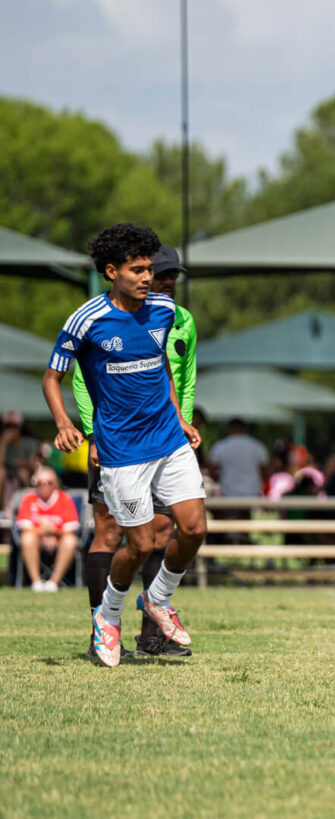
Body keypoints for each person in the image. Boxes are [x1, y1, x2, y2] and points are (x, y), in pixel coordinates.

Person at [42, 223, 207, 668]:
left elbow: (162, 367)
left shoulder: (164, 311)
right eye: (137, 270)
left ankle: (157, 599)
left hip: (167, 438)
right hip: (122, 450)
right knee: (139, 545)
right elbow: (52, 378)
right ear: (112, 272)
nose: (148, 278)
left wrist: (179, 418)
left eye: (150, 269)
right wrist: (65, 424)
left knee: (194, 528)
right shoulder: (86, 320)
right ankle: (108, 615)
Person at [15, 466, 80, 591]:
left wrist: (53, 532)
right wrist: (43, 532)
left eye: (49, 483)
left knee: (70, 540)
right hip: (36, 541)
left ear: (56, 484)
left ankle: (54, 582)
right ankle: (36, 583)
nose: (44, 486)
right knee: (27, 538)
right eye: (40, 483)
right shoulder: (28, 499)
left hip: (59, 540)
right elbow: (25, 528)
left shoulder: (64, 499)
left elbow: (71, 529)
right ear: (34, 484)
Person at [207, 418, 270, 498]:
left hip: (228, 494)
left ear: (229, 429)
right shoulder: (257, 446)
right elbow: (265, 470)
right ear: (245, 429)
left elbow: (212, 469)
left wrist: (218, 478)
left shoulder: (220, 446)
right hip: (252, 493)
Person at [1, 409, 40, 508]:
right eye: (8, 427)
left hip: (25, 475)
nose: (11, 430)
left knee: (23, 473)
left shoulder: (29, 442)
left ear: (20, 428)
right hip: (6, 477)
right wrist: (4, 443)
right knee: (1, 473)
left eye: (14, 427)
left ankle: (32, 502)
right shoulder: (2, 443)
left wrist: (22, 463)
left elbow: (33, 464)